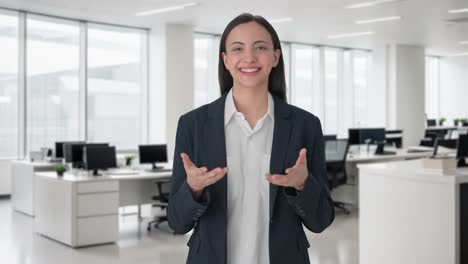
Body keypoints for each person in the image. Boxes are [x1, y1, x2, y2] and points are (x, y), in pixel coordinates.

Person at [168, 13, 335, 264]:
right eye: (237, 49)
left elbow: (321, 220)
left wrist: (303, 185)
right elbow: (177, 222)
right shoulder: (193, 126)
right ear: (225, 60)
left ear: (276, 57)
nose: (249, 58)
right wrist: (193, 189)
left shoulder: (305, 126)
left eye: (260, 48)